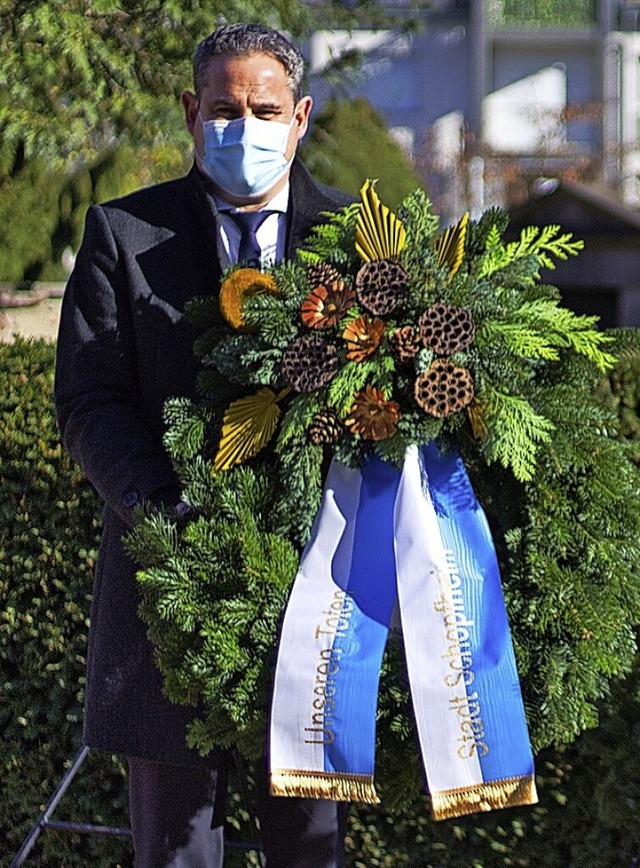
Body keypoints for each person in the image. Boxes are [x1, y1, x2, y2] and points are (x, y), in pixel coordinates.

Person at [54, 22, 355, 868]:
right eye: (225, 109)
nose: (244, 127)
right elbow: (88, 400)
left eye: (264, 110)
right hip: (166, 601)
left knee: (311, 851)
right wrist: (166, 510)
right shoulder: (123, 234)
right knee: (177, 851)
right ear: (191, 111)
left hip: (317, 603)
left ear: (300, 118)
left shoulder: (360, 242)